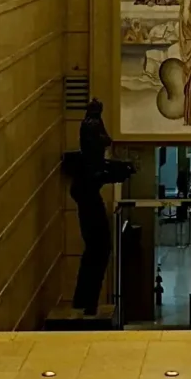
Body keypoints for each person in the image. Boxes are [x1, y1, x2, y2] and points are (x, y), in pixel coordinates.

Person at [70, 98, 115, 314]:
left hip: (88, 192)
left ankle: (86, 301)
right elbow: (104, 140)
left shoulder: (90, 124)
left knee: (98, 249)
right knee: (99, 248)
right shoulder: (92, 125)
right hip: (88, 194)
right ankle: (86, 302)